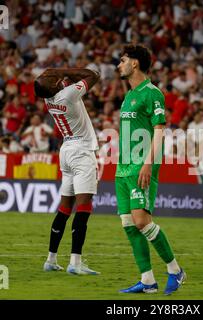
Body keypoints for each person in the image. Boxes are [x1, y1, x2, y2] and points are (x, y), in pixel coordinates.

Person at [116, 44, 186, 295]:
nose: (119, 65)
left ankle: (176, 270)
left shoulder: (152, 93)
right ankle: (147, 280)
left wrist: (148, 163)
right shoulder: (129, 96)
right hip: (123, 168)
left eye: (122, 60)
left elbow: (160, 130)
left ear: (134, 63)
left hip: (140, 165)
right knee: (128, 223)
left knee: (142, 221)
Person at [34, 67, 100, 275]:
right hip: (81, 151)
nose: (49, 74)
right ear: (54, 85)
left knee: (64, 208)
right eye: (48, 78)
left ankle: (51, 259)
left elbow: (62, 83)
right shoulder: (68, 94)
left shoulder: (50, 98)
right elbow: (93, 75)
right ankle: (75, 263)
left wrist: (61, 77)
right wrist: (63, 70)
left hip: (66, 150)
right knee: (83, 207)